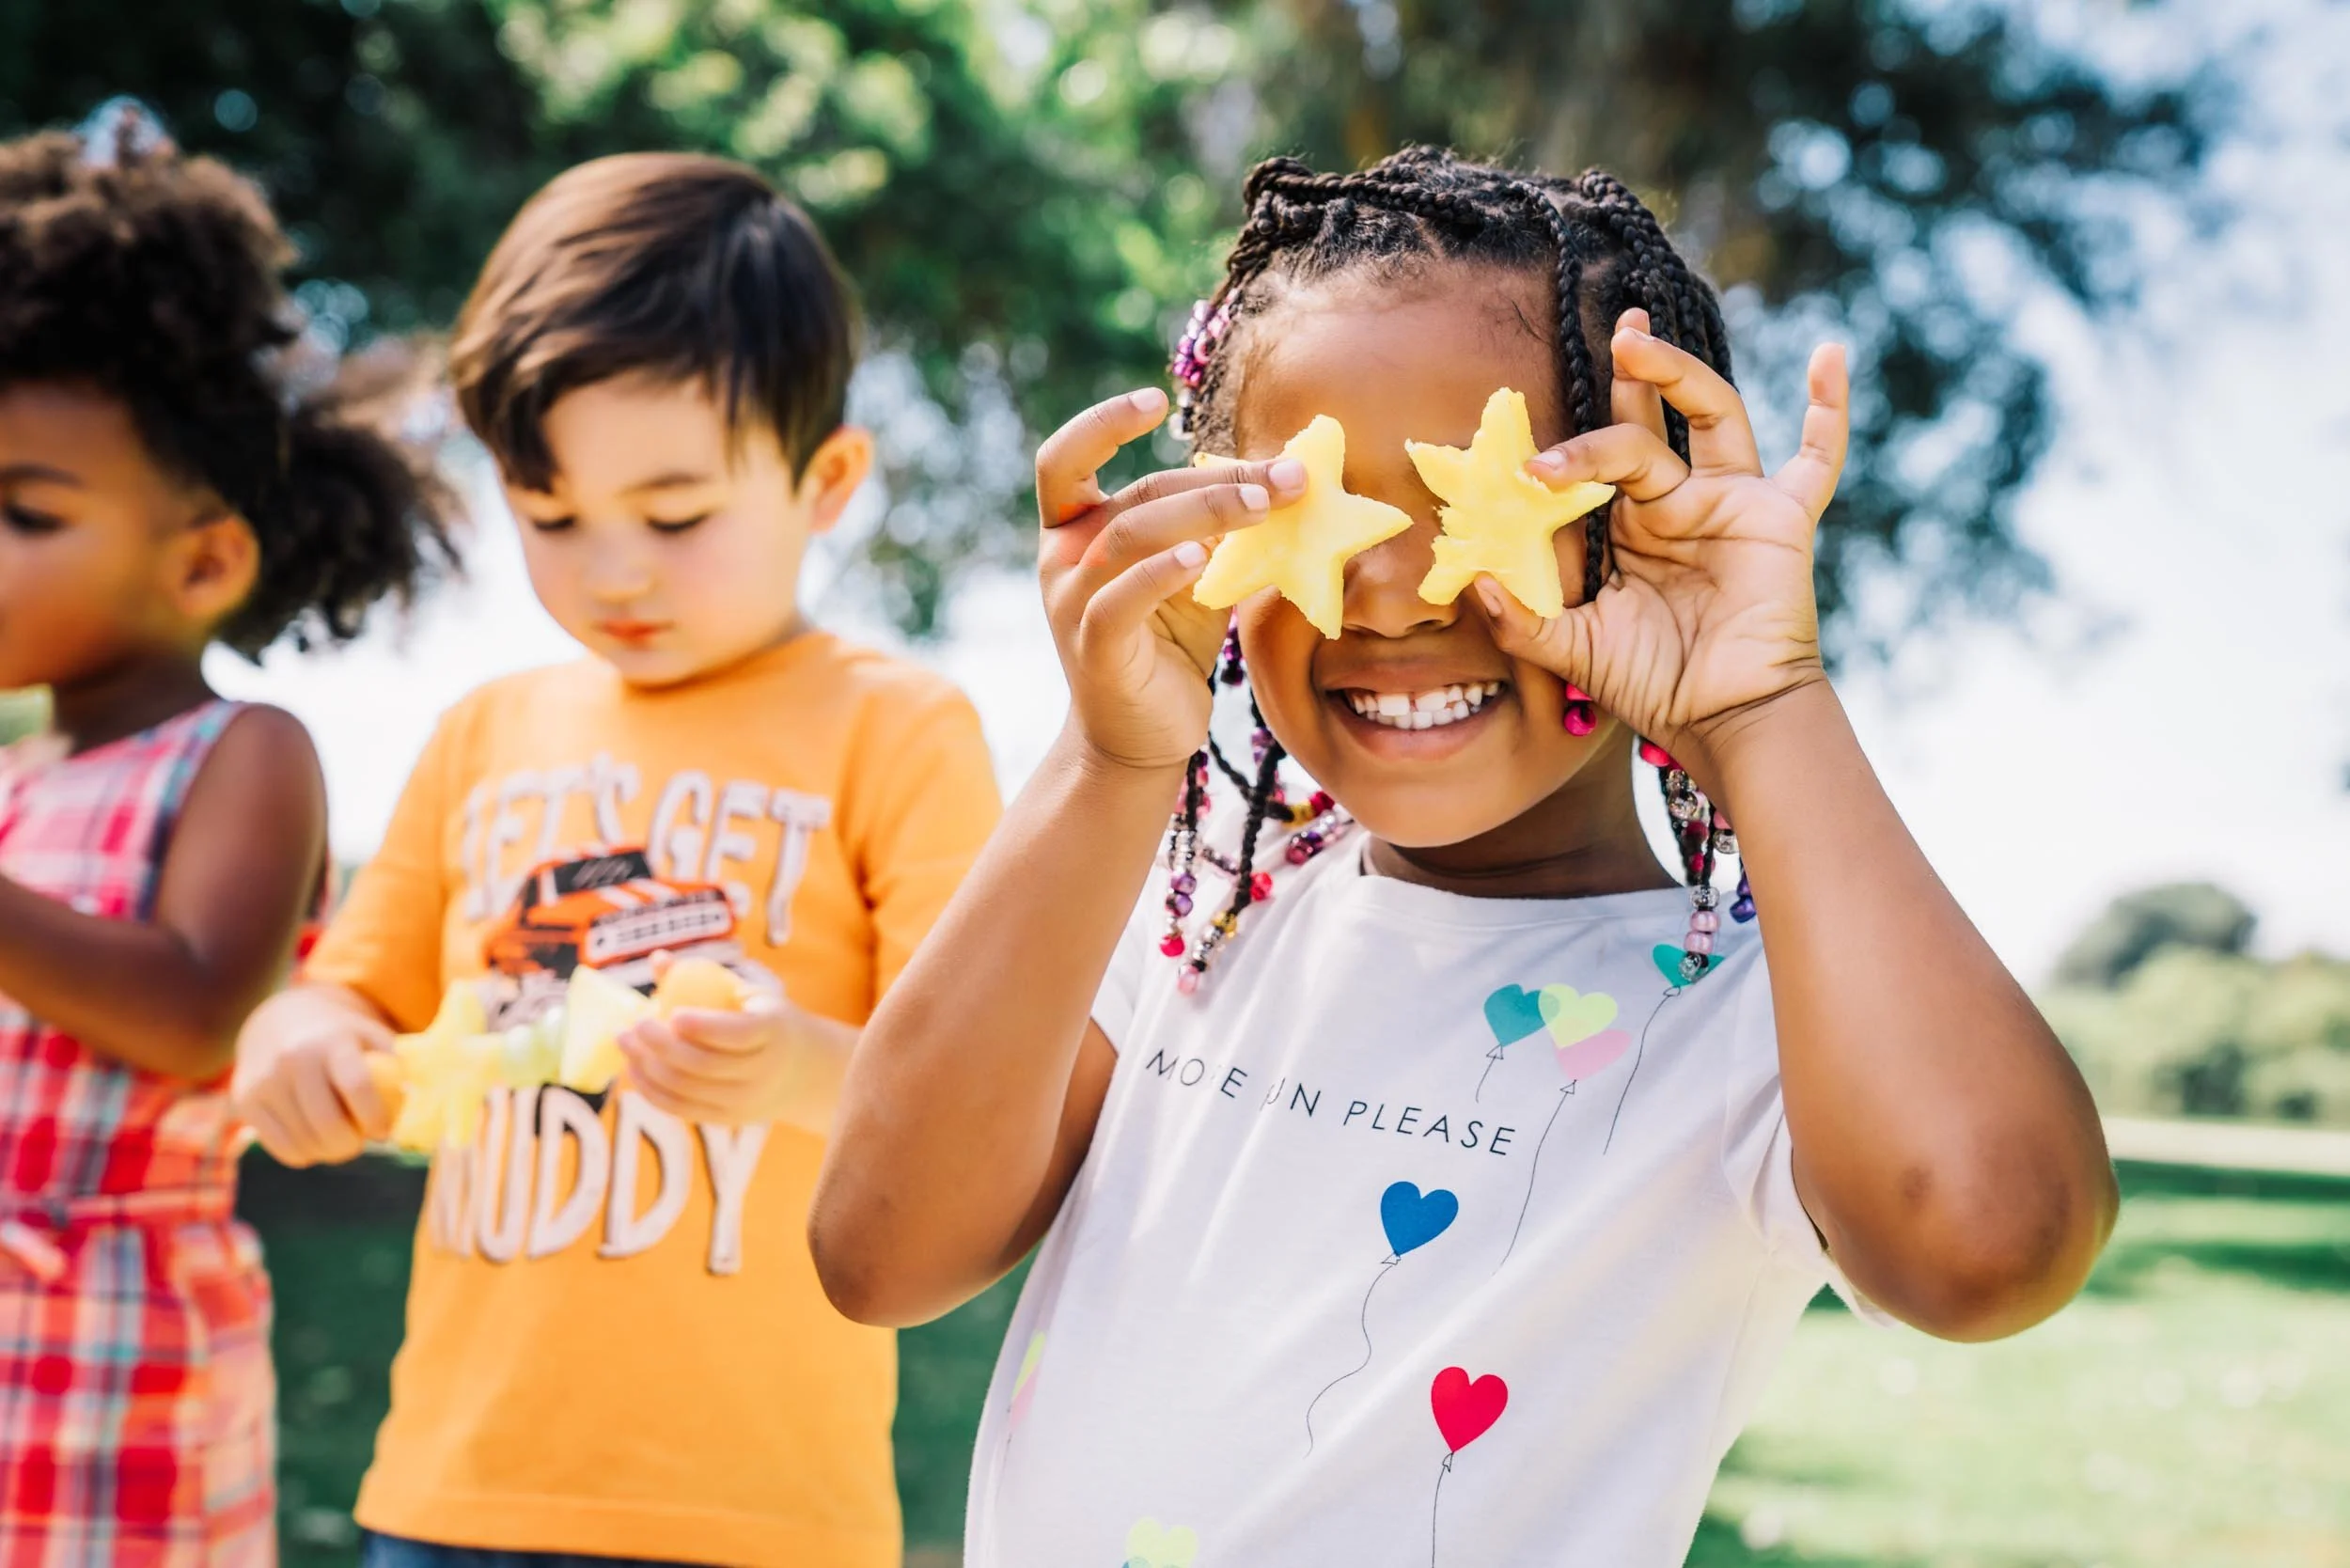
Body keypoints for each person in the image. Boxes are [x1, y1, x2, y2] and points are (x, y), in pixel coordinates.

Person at [809, 147, 2117, 1564]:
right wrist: (1111, 756)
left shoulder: (1757, 1021)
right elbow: (878, 1249)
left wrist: (1762, 703)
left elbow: (1992, 1243)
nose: (1389, 595)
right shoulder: (1197, 926)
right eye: (1315, 510)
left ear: (1644, 525)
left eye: (1482, 514)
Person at [231, 153, 1001, 1568]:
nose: (614, 572)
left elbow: (965, 1098)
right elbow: (351, 995)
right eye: (550, 513)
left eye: (676, 513)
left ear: (825, 480)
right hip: (451, 1495)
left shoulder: (897, 730)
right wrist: (298, 1040)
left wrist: (789, 1068)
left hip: (756, 1520)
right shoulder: (484, 733)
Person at [0, 102, 455, 1565]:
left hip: (119, 1339)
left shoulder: (241, 752)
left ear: (201, 559)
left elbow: (201, 1014)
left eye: (22, 512)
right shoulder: (21, 772)